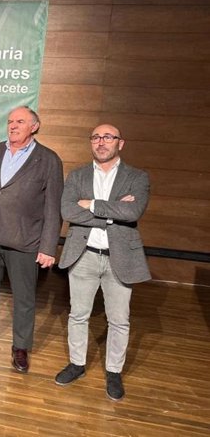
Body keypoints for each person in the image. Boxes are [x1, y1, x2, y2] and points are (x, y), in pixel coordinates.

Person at [0, 106, 63, 373]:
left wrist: (48, 246)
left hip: (25, 239)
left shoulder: (48, 159)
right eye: (10, 122)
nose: (13, 126)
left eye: (20, 121)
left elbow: (53, 207)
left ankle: (20, 347)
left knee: (24, 296)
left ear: (35, 126)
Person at [54, 124, 150, 401]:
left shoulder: (137, 177)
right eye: (96, 137)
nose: (101, 142)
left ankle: (114, 371)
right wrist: (112, 212)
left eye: (108, 137)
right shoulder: (77, 175)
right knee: (78, 314)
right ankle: (77, 364)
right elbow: (67, 210)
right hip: (83, 255)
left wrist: (91, 204)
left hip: (120, 258)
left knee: (119, 320)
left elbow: (132, 211)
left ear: (121, 143)